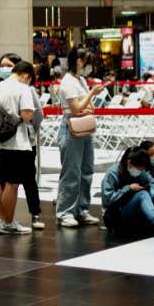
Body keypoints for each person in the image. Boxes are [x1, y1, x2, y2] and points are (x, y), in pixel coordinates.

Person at [0, 53, 45, 231]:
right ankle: (9, 223)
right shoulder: (23, 88)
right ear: (26, 75)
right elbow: (28, 115)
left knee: (2, 182)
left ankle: (2, 220)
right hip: (16, 142)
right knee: (12, 183)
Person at [56, 46, 107, 228]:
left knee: (86, 171)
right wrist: (92, 93)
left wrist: (85, 103)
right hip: (71, 129)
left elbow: (88, 107)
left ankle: (81, 210)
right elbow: (77, 109)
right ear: (79, 61)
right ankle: (65, 212)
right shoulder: (68, 82)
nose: (90, 65)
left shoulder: (81, 80)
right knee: (71, 172)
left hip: (84, 127)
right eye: (87, 61)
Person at [101, 147, 154, 239]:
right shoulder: (112, 174)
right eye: (140, 169)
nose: (141, 171)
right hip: (113, 215)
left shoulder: (140, 172)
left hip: (130, 211)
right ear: (129, 163)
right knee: (142, 194)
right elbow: (107, 200)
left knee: (153, 194)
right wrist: (128, 188)